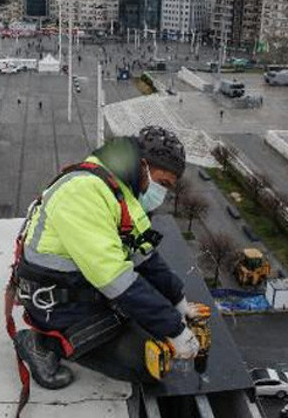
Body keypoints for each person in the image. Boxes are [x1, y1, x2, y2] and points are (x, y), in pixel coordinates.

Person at [11, 126, 203, 390]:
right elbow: (116, 279)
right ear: (144, 165)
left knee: (154, 327)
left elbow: (144, 256)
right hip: (58, 306)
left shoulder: (119, 190)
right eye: (163, 183)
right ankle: (42, 342)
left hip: (84, 289)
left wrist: (178, 301)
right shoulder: (83, 192)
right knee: (147, 363)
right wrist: (175, 329)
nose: (163, 193)